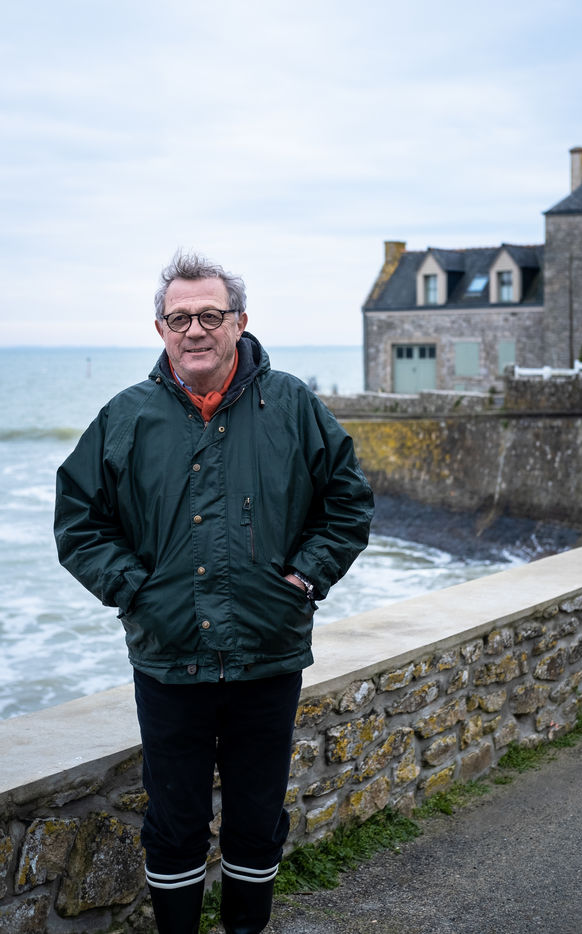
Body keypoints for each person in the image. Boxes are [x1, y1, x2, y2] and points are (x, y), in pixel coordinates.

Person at [54, 251, 374, 934]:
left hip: (267, 653)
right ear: (160, 329)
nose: (194, 330)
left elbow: (347, 503)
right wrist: (135, 591)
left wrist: (304, 577)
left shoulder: (291, 404)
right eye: (179, 319)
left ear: (239, 322)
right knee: (174, 825)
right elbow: (79, 520)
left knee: (256, 820)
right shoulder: (126, 416)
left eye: (209, 315)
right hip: (169, 657)